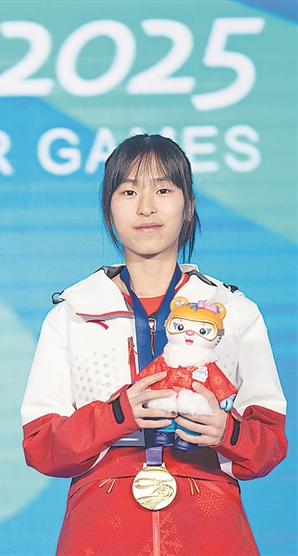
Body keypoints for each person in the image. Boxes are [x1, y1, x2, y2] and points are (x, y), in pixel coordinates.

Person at [20, 134, 287, 554]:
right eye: (128, 192)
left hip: (209, 527)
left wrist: (227, 432)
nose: (146, 207)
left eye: (163, 190)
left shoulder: (233, 311)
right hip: (102, 530)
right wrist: (117, 415)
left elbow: (269, 444)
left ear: (189, 204)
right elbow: (41, 447)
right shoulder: (73, 314)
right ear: (109, 209)